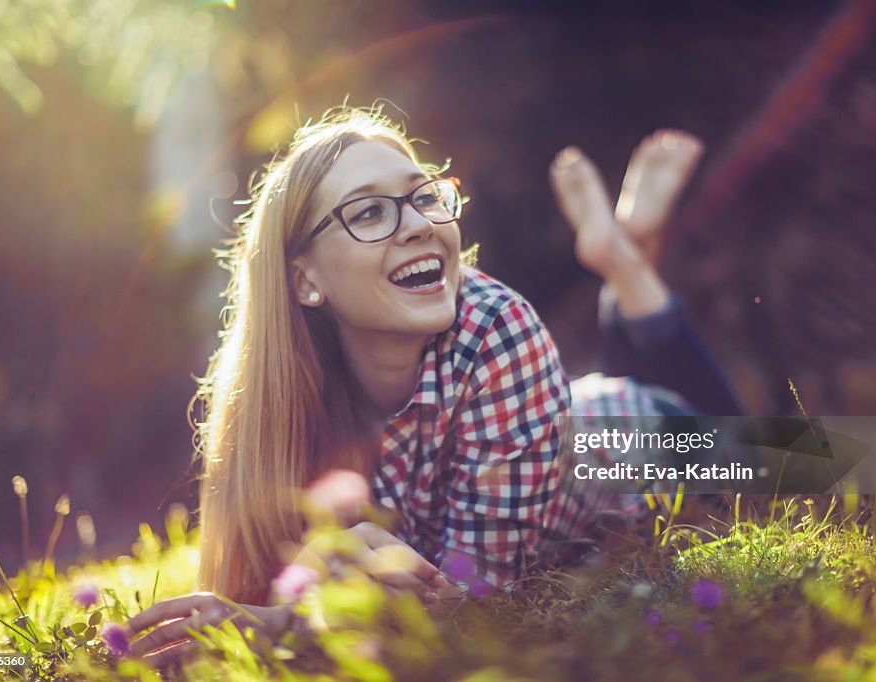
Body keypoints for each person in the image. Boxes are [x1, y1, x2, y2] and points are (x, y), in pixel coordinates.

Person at [126, 106, 742, 666]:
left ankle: (625, 259)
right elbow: (263, 583)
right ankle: (625, 250)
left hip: (643, 445)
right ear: (304, 281)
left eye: (423, 197)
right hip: (561, 420)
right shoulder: (282, 409)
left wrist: (293, 618)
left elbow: (478, 599)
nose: (419, 224)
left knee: (799, 455)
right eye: (368, 211)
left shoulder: (497, 325)